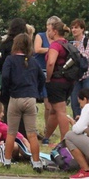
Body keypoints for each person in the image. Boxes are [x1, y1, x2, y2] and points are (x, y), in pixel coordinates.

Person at [1, 33, 45, 172]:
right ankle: (36, 162)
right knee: (31, 133)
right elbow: (42, 78)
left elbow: (5, 77)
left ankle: (7, 161)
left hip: (15, 98)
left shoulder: (10, 59)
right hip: (30, 98)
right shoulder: (33, 61)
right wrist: (36, 91)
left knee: (11, 133)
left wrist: (6, 92)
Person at [43, 18, 74, 144]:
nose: (48, 32)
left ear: (55, 32)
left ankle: (65, 141)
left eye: (49, 30)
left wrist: (48, 78)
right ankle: (46, 137)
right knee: (54, 110)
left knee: (60, 111)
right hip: (68, 81)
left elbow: (51, 62)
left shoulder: (55, 45)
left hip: (57, 81)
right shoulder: (67, 44)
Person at [34, 16, 60, 144]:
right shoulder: (40, 36)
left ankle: (47, 128)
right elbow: (37, 49)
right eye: (51, 25)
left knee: (48, 104)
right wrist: (52, 49)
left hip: (51, 72)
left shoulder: (57, 39)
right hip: (39, 72)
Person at [69, 19, 89, 118]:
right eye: (72, 28)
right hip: (76, 77)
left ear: (82, 29)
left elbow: (86, 56)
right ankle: (78, 126)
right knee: (75, 103)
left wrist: (76, 53)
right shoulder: (70, 44)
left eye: (76, 27)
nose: (73, 30)